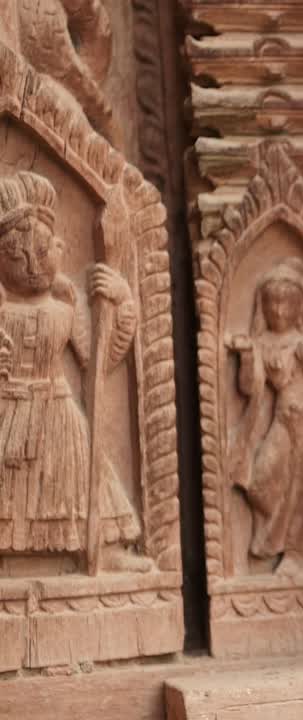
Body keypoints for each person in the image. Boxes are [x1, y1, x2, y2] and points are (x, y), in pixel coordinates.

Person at [0, 171, 149, 572]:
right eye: (17, 256)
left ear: (60, 247)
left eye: (44, 251)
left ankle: (101, 549)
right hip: (6, 415)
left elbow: (100, 361)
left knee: (79, 483)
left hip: (57, 413)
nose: (34, 265)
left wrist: (122, 302)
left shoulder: (67, 305)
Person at [227, 258, 303, 575]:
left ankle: (294, 553)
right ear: (262, 306)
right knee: (261, 483)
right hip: (283, 419)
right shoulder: (263, 342)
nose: (279, 311)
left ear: (299, 306)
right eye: (272, 304)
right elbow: (250, 387)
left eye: (286, 304)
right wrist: (246, 355)